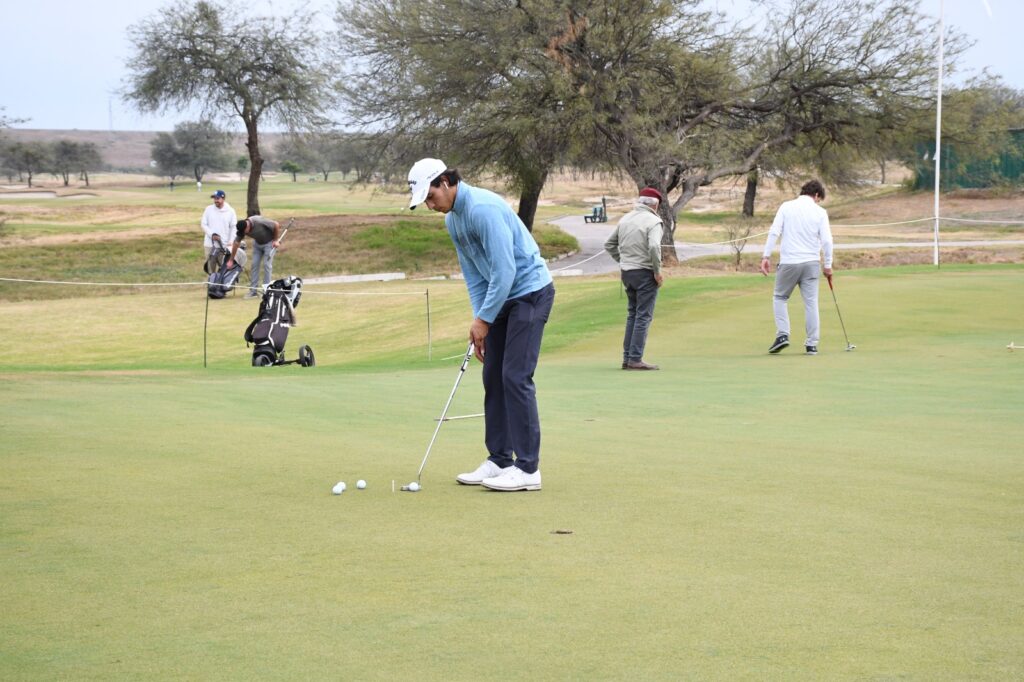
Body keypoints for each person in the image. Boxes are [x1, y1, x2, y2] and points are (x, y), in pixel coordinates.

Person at [408, 158, 555, 492]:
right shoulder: (453, 221)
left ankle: (528, 468)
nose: (431, 206)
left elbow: (505, 271)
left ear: (445, 181)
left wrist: (483, 319)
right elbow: (475, 274)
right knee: (493, 376)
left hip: (530, 294)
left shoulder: (484, 209)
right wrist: (480, 321)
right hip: (500, 299)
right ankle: (500, 459)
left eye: (431, 197)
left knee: (515, 376)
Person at [760, 179, 834, 355]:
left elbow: (774, 232)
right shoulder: (820, 212)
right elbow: (827, 240)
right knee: (811, 303)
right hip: (811, 263)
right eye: (818, 198)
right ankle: (811, 344)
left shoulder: (786, 206)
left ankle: (783, 334)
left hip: (789, 262)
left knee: (780, 297)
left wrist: (766, 256)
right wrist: (828, 265)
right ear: (816, 195)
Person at [604, 187, 665, 370]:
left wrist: (623, 260)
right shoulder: (653, 221)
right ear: (656, 205)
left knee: (633, 314)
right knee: (643, 316)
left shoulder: (626, 218)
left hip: (627, 272)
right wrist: (657, 270)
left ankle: (628, 358)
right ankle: (635, 358)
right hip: (645, 272)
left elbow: (609, 244)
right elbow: (654, 247)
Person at [227, 215, 282, 298]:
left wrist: (275, 240)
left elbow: (276, 225)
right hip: (257, 245)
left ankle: (267, 291)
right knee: (254, 265)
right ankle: (253, 291)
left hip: (269, 244)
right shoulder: (242, 229)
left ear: (248, 226)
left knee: (267, 265)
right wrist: (231, 260)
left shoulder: (258, 221)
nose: (244, 234)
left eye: (245, 231)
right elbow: (236, 243)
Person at [200, 190, 237, 261]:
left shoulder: (230, 211)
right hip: (210, 244)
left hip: (224, 245)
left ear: (223, 199)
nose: (215, 200)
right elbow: (203, 224)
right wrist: (212, 235)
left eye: (217, 198)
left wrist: (231, 241)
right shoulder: (208, 209)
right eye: (214, 198)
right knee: (210, 269)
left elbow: (233, 227)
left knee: (222, 268)